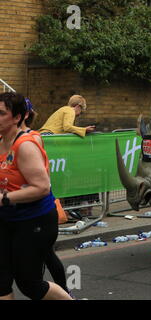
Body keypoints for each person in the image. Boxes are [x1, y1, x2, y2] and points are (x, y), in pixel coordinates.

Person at [0, 92, 72, 300]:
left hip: (35, 220)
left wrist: (5, 199)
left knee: (30, 284)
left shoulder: (25, 145)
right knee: (1, 281)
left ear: (17, 117)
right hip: (7, 219)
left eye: (1, 113)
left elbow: (42, 187)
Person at [22, 98, 71, 295]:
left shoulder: (30, 138)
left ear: (22, 115)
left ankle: (64, 292)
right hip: (21, 209)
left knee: (46, 255)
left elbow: (40, 182)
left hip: (37, 208)